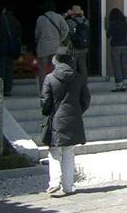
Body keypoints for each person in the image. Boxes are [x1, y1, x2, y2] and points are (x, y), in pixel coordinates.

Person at [41, 48, 90, 197]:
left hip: (56, 118)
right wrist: (77, 111)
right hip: (74, 118)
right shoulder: (79, 77)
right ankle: (68, 187)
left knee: (55, 152)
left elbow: (45, 102)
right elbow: (86, 100)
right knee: (69, 152)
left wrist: (47, 113)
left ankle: (55, 183)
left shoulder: (49, 78)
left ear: (56, 60)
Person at [35, 0, 69, 90]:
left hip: (43, 46)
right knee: (55, 68)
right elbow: (66, 29)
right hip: (55, 46)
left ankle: (43, 89)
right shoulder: (59, 17)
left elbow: (37, 34)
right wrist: (60, 38)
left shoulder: (40, 19)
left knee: (42, 69)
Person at [0, 6, 22, 97]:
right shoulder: (15, 20)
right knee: (9, 69)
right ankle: (8, 89)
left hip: (1, 48)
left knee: (1, 68)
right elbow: (18, 36)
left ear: (3, 9)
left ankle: (0, 89)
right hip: (12, 49)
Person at [107, 7, 127, 92]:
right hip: (125, 46)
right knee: (123, 65)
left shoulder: (113, 24)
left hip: (115, 46)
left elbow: (108, 34)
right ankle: (125, 82)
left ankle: (119, 85)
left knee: (117, 66)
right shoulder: (124, 23)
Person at [65, 5, 90, 78]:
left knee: (73, 66)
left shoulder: (70, 22)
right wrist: (83, 15)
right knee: (83, 66)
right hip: (84, 48)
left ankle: (74, 83)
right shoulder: (86, 21)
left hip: (74, 48)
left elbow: (61, 23)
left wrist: (67, 14)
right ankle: (84, 83)